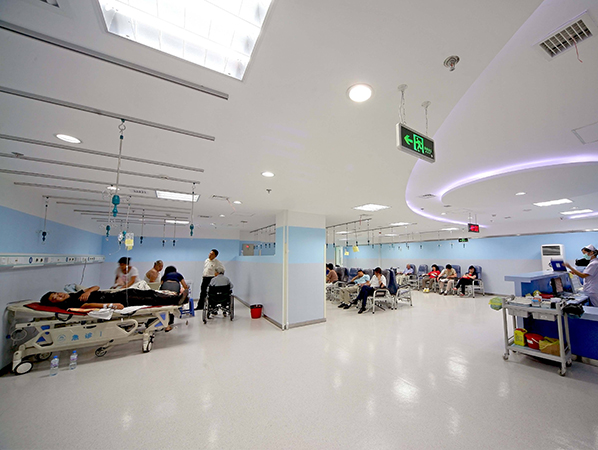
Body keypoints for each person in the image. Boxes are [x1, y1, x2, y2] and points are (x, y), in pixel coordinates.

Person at [40, 286, 182, 310]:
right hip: (113, 300)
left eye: (56, 293)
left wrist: (87, 292)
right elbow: (86, 306)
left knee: (148, 292)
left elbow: (96, 286)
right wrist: (110, 305)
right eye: (55, 298)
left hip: (115, 294)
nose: (59, 296)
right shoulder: (68, 303)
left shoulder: (74, 294)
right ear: (54, 303)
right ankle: (175, 300)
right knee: (146, 300)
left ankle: (176, 297)